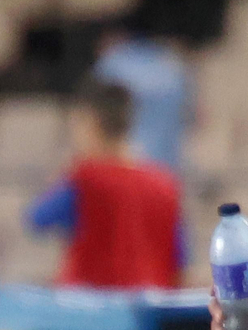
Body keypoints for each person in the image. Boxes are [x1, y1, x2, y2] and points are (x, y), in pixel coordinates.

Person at [27, 79, 185, 290]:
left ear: (91, 123)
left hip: (91, 311)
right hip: (147, 311)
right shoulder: (166, 184)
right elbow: (180, 260)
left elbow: (37, 218)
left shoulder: (85, 180)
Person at [93, 18, 194, 175]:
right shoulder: (173, 65)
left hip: (127, 166)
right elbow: (192, 117)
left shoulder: (111, 65)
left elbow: (95, 119)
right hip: (167, 170)